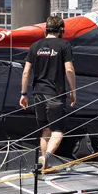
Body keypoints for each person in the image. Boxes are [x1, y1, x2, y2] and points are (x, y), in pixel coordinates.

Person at [20, 15, 77, 169]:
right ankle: (46, 156)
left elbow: (26, 72)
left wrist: (23, 94)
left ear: (46, 30)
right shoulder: (64, 45)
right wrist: (73, 91)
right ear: (61, 30)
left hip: (37, 94)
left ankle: (45, 166)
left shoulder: (35, 46)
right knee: (58, 130)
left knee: (45, 129)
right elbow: (69, 69)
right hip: (55, 94)